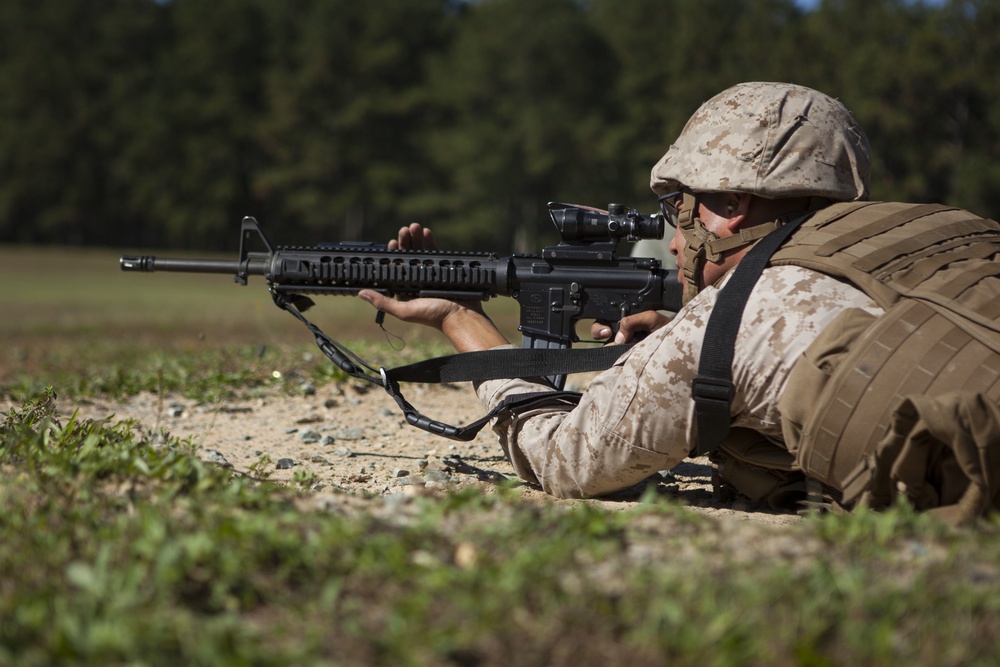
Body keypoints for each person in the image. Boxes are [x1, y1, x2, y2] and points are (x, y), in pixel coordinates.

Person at [360, 82, 1000, 523]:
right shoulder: (944, 229)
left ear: (730, 206)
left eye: (679, 208)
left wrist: (459, 318)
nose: (672, 239)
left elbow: (563, 458)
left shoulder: (733, 321)